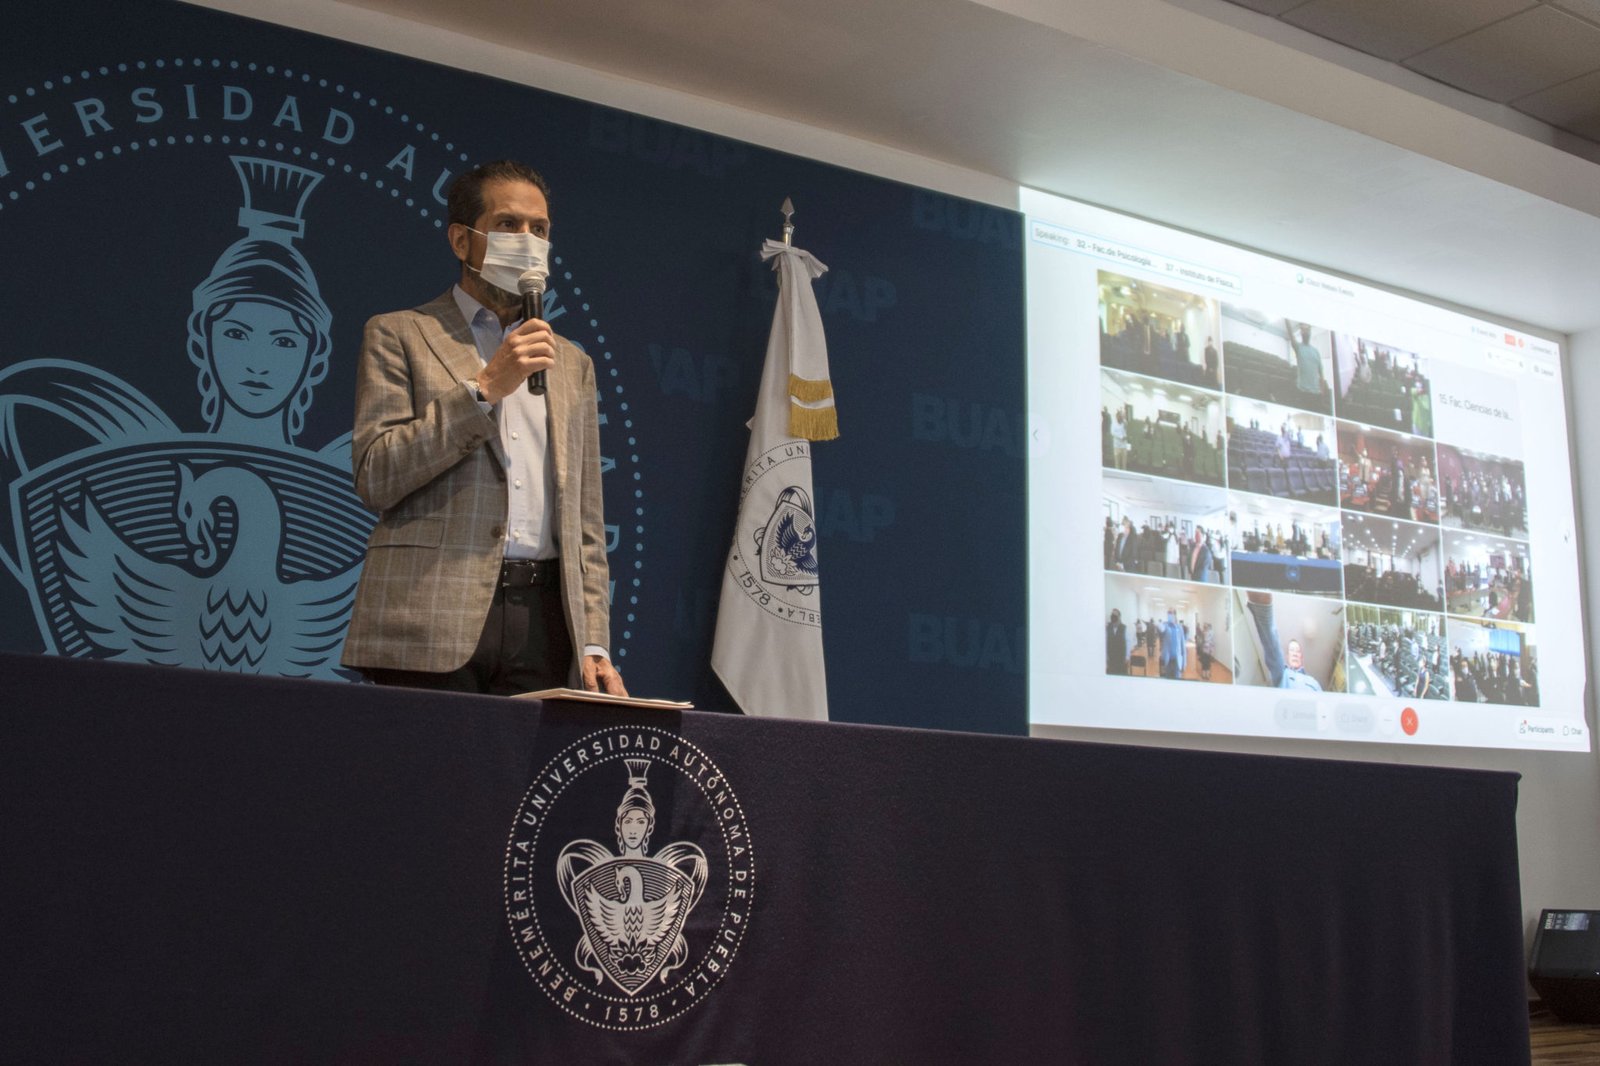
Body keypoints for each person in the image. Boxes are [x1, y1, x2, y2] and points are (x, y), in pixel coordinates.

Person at [342, 160, 626, 696]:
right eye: (507, 225)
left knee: (522, 782)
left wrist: (593, 641)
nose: (527, 241)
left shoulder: (571, 362)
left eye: (539, 230)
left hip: (544, 625)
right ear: (461, 240)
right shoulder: (400, 334)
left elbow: (585, 518)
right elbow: (376, 475)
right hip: (425, 614)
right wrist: (483, 390)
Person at [1244, 590, 1323, 690]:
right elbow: (1273, 647)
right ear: (1287, 657)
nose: (1294, 653)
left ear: (1301, 657)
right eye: (1292, 650)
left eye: (1297, 651)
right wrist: (1261, 605)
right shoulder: (1282, 673)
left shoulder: (1314, 682)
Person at [1158, 609, 1186, 680]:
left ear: (1175, 615)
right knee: (1168, 681)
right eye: (1168, 613)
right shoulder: (1166, 626)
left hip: (1177, 660)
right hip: (1168, 660)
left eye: (1170, 613)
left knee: (1177, 682)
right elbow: (1160, 628)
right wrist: (1164, 623)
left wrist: (1184, 663)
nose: (1169, 614)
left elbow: (1183, 646)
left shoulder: (1179, 628)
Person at [1106, 609, 1129, 675]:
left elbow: (1128, 642)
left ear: (1119, 617)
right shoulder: (1108, 628)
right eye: (1112, 615)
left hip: (1121, 659)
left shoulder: (1124, 628)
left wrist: (1127, 657)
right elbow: (1105, 643)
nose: (1113, 616)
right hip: (1111, 659)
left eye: (1115, 615)